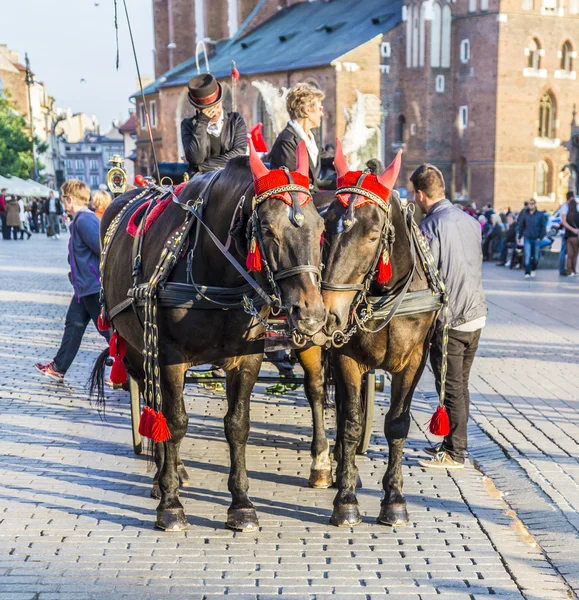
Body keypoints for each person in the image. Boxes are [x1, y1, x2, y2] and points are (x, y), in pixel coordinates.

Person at [410, 164, 487, 469]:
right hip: (476, 314)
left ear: (419, 194)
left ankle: (455, 452)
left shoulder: (431, 226)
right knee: (460, 385)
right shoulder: (470, 221)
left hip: (451, 320)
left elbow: (426, 275)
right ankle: (452, 443)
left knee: (451, 387)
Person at [34, 180, 111, 383]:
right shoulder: (80, 220)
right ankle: (58, 367)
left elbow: (101, 249)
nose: (62, 202)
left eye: (63, 198)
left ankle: (132, 365)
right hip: (83, 287)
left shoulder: (84, 220)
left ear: (69, 199)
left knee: (107, 331)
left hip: (92, 286)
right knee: (74, 325)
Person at [181, 74, 247, 177]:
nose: (215, 112)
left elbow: (239, 155)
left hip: (231, 179)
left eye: (216, 106)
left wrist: (200, 167)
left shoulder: (235, 121)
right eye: (209, 110)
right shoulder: (188, 125)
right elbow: (196, 158)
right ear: (198, 109)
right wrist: (203, 121)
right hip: (201, 183)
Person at [269, 82, 325, 191]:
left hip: (310, 198)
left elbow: (322, 157)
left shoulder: (311, 138)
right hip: (294, 200)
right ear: (307, 110)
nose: (322, 114)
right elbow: (293, 180)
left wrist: (339, 159)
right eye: (320, 109)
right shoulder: (287, 141)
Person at [517, 198, 546, 279]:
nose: (531, 205)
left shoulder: (540, 214)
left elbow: (543, 227)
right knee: (527, 255)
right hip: (527, 237)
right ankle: (527, 272)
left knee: (536, 257)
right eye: (530, 203)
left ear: (535, 204)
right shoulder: (525, 214)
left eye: (533, 203)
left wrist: (540, 237)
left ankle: (533, 269)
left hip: (536, 238)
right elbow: (521, 226)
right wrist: (519, 236)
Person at [559, 191, 575, 276]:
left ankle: (568, 269)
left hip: (569, 232)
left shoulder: (569, 206)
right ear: (570, 198)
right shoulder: (565, 207)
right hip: (565, 233)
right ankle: (562, 270)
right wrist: (573, 229)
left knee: (569, 252)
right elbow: (564, 222)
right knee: (563, 251)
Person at [564, 197, 579, 276]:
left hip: (569, 237)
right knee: (575, 255)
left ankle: (569, 271)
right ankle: (574, 270)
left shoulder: (568, 215)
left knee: (569, 255)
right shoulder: (577, 214)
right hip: (576, 237)